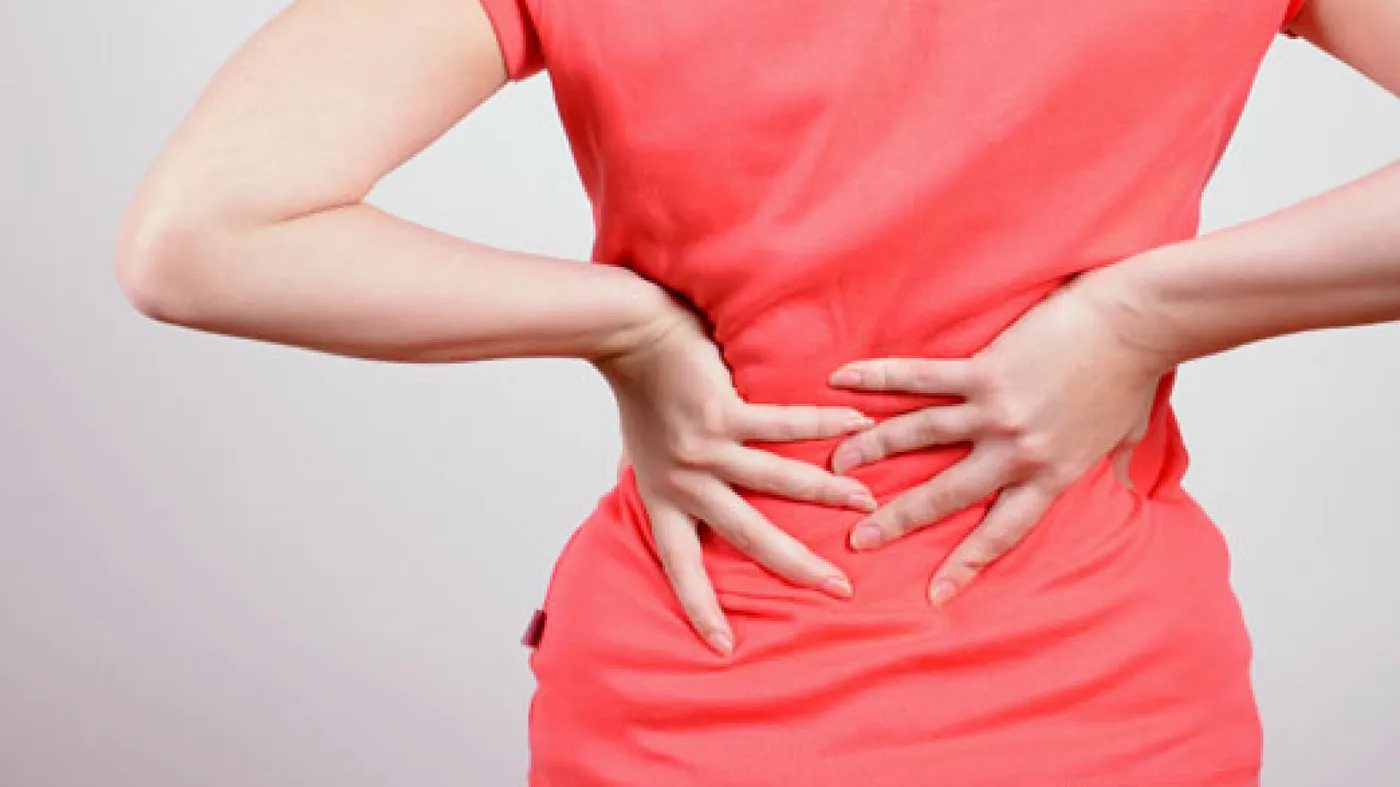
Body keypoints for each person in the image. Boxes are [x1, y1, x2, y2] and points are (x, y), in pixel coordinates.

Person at [113, 0, 1399, 783]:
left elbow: (202, 236)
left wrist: (624, 324)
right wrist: (1141, 312)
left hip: (696, 681)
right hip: (1104, 683)